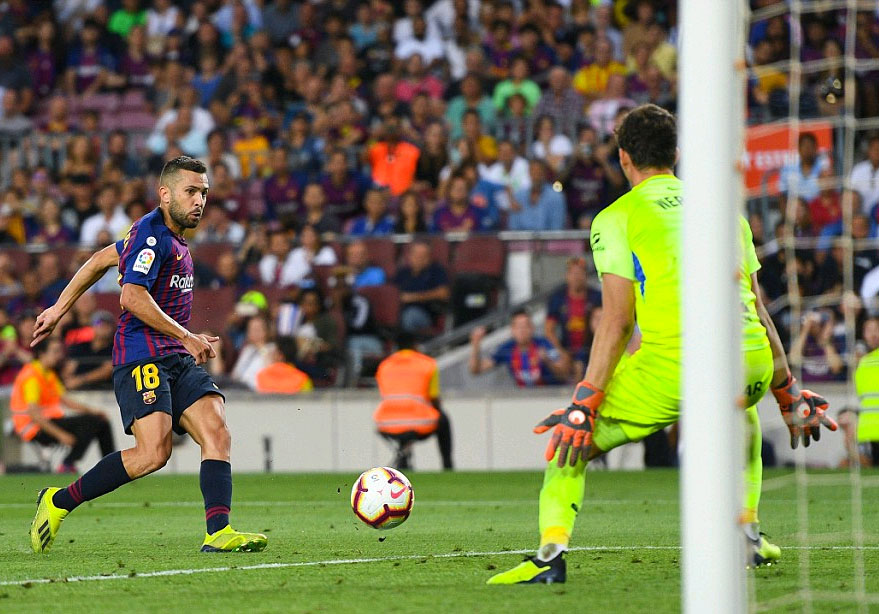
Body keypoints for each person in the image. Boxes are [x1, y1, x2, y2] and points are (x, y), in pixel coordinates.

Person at [487, 104, 837, 584]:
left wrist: (584, 402)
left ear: (623, 158)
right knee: (742, 407)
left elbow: (615, 320)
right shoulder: (722, 209)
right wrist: (786, 389)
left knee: (570, 442)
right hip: (751, 358)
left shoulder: (617, 217)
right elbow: (757, 308)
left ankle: (550, 554)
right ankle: (747, 536)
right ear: (675, 153)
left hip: (676, 363)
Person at [28, 156, 267, 554]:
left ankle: (218, 532)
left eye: (204, 193)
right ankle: (58, 501)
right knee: (153, 454)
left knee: (217, 431)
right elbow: (131, 295)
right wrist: (187, 335)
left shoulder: (161, 235)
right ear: (165, 193)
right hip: (142, 354)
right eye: (191, 191)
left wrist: (58, 308)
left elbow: (102, 259)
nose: (199, 201)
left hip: (174, 352)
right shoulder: (152, 236)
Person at [11, 337, 116, 474]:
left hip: (46, 421)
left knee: (100, 421)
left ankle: (110, 465)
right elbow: (34, 414)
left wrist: (93, 411)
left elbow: (65, 400)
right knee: (94, 423)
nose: (59, 356)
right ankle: (72, 464)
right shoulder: (32, 376)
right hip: (32, 427)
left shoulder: (48, 374)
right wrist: (61, 435)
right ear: (42, 354)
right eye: (55, 351)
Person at [373, 332, 452, 470]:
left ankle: (404, 461)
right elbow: (434, 399)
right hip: (418, 422)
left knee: (403, 420)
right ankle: (447, 464)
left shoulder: (384, 366)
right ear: (415, 346)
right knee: (443, 419)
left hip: (387, 422)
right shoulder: (428, 364)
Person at [469, 309, 570, 387]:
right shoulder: (507, 348)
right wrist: (476, 345)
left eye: (525, 326)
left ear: (532, 328)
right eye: (518, 327)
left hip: (549, 394)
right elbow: (476, 370)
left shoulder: (543, 344)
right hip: (524, 397)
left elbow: (565, 373)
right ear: (512, 330)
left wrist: (548, 361)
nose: (522, 331)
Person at [393, 240, 450, 334]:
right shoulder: (403, 272)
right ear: (410, 256)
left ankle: (410, 346)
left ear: (429, 257)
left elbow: (444, 293)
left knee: (410, 316)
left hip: (426, 313)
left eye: (423, 256)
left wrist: (413, 297)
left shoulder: (436, 270)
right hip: (400, 310)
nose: (419, 259)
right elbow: (392, 291)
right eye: (416, 255)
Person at [61, 310, 115, 391]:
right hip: (78, 392)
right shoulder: (79, 347)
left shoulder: (116, 349)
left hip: (107, 392)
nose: (104, 327)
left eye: (107, 324)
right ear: (91, 326)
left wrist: (81, 380)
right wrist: (68, 380)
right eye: (100, 324)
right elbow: (68, 369)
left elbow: (108, 370)